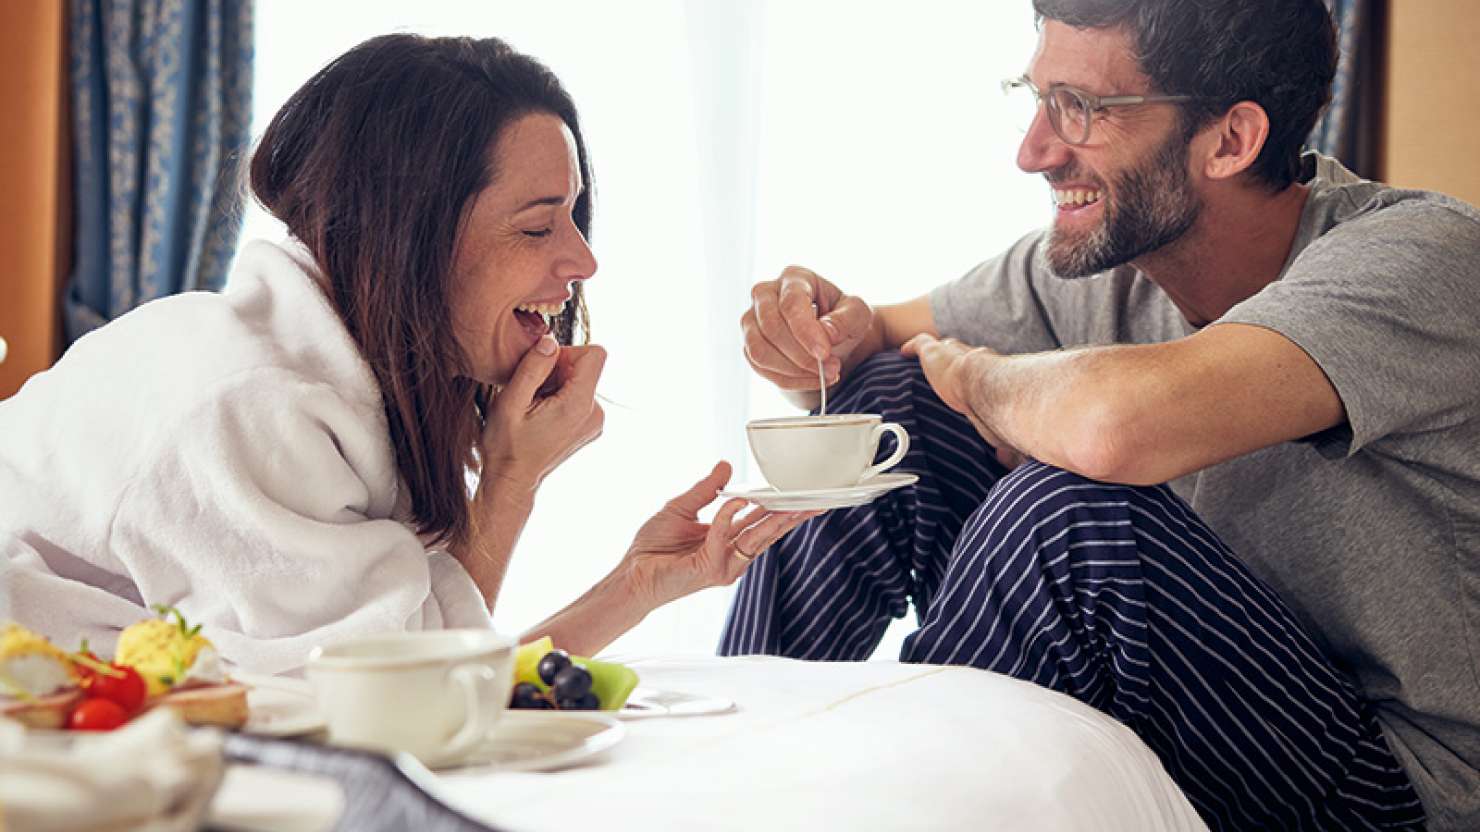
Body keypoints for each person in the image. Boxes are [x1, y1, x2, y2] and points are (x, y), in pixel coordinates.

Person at [722, 1, 1479, 830]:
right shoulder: (1109, 260)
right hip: (1187, 706)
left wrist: (981, 380)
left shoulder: (1423, 258)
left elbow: (1112, 429)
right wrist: (819, 339)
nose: (1033, 152)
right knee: (894, 403)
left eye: (1080, 110)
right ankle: (720, 773)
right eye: (1036, 97)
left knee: (1071, 514)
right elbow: (881, 350)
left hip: (1397, 789)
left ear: (1231, 140)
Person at [0, 34, 813, 673]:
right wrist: (510, 479)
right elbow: (390, 715)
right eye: (537, 226)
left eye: (572, 217)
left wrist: (640, 584)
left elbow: (427, 675)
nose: (582, 261)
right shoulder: (253, 404)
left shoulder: (330, 382)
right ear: (407, 234)